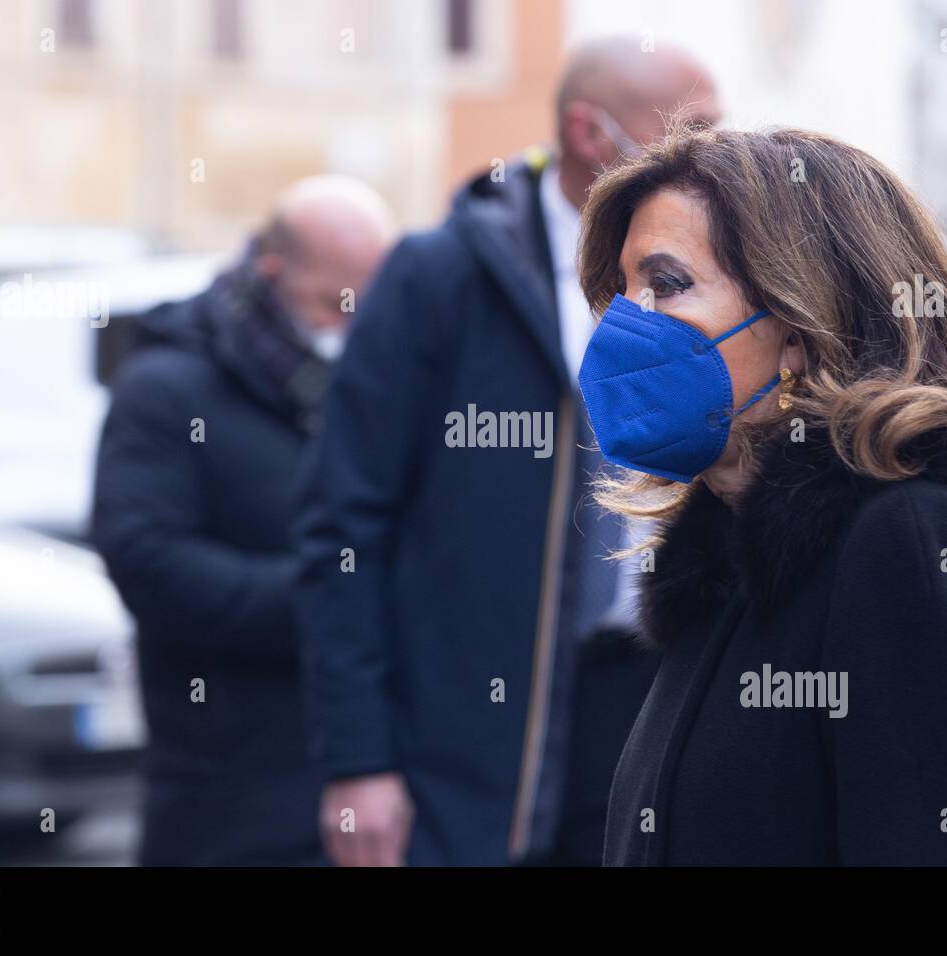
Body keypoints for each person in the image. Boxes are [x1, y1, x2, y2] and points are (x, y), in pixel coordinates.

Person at [575, 126, 947, 865]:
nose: (625, 324)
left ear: (802, 329)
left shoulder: (912, 542)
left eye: (666, 285)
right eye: (622, 292)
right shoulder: (725, 567)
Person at [292, 37, 723, 866]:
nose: (715, 155)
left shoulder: (711, 276)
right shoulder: (443, 275)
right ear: (591, 133)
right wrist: (359, 763)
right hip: (476, 721)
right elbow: (343, 526)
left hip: (652, 685)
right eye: (691, 130)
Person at [91, 176, 395, 866]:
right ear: (272, 271)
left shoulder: (363, 392)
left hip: (354, 769)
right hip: (221, 789)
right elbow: (147, 559)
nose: (347, 327)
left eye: (365, 305)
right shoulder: (165, 387)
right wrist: (330, 601)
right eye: (330, 303)